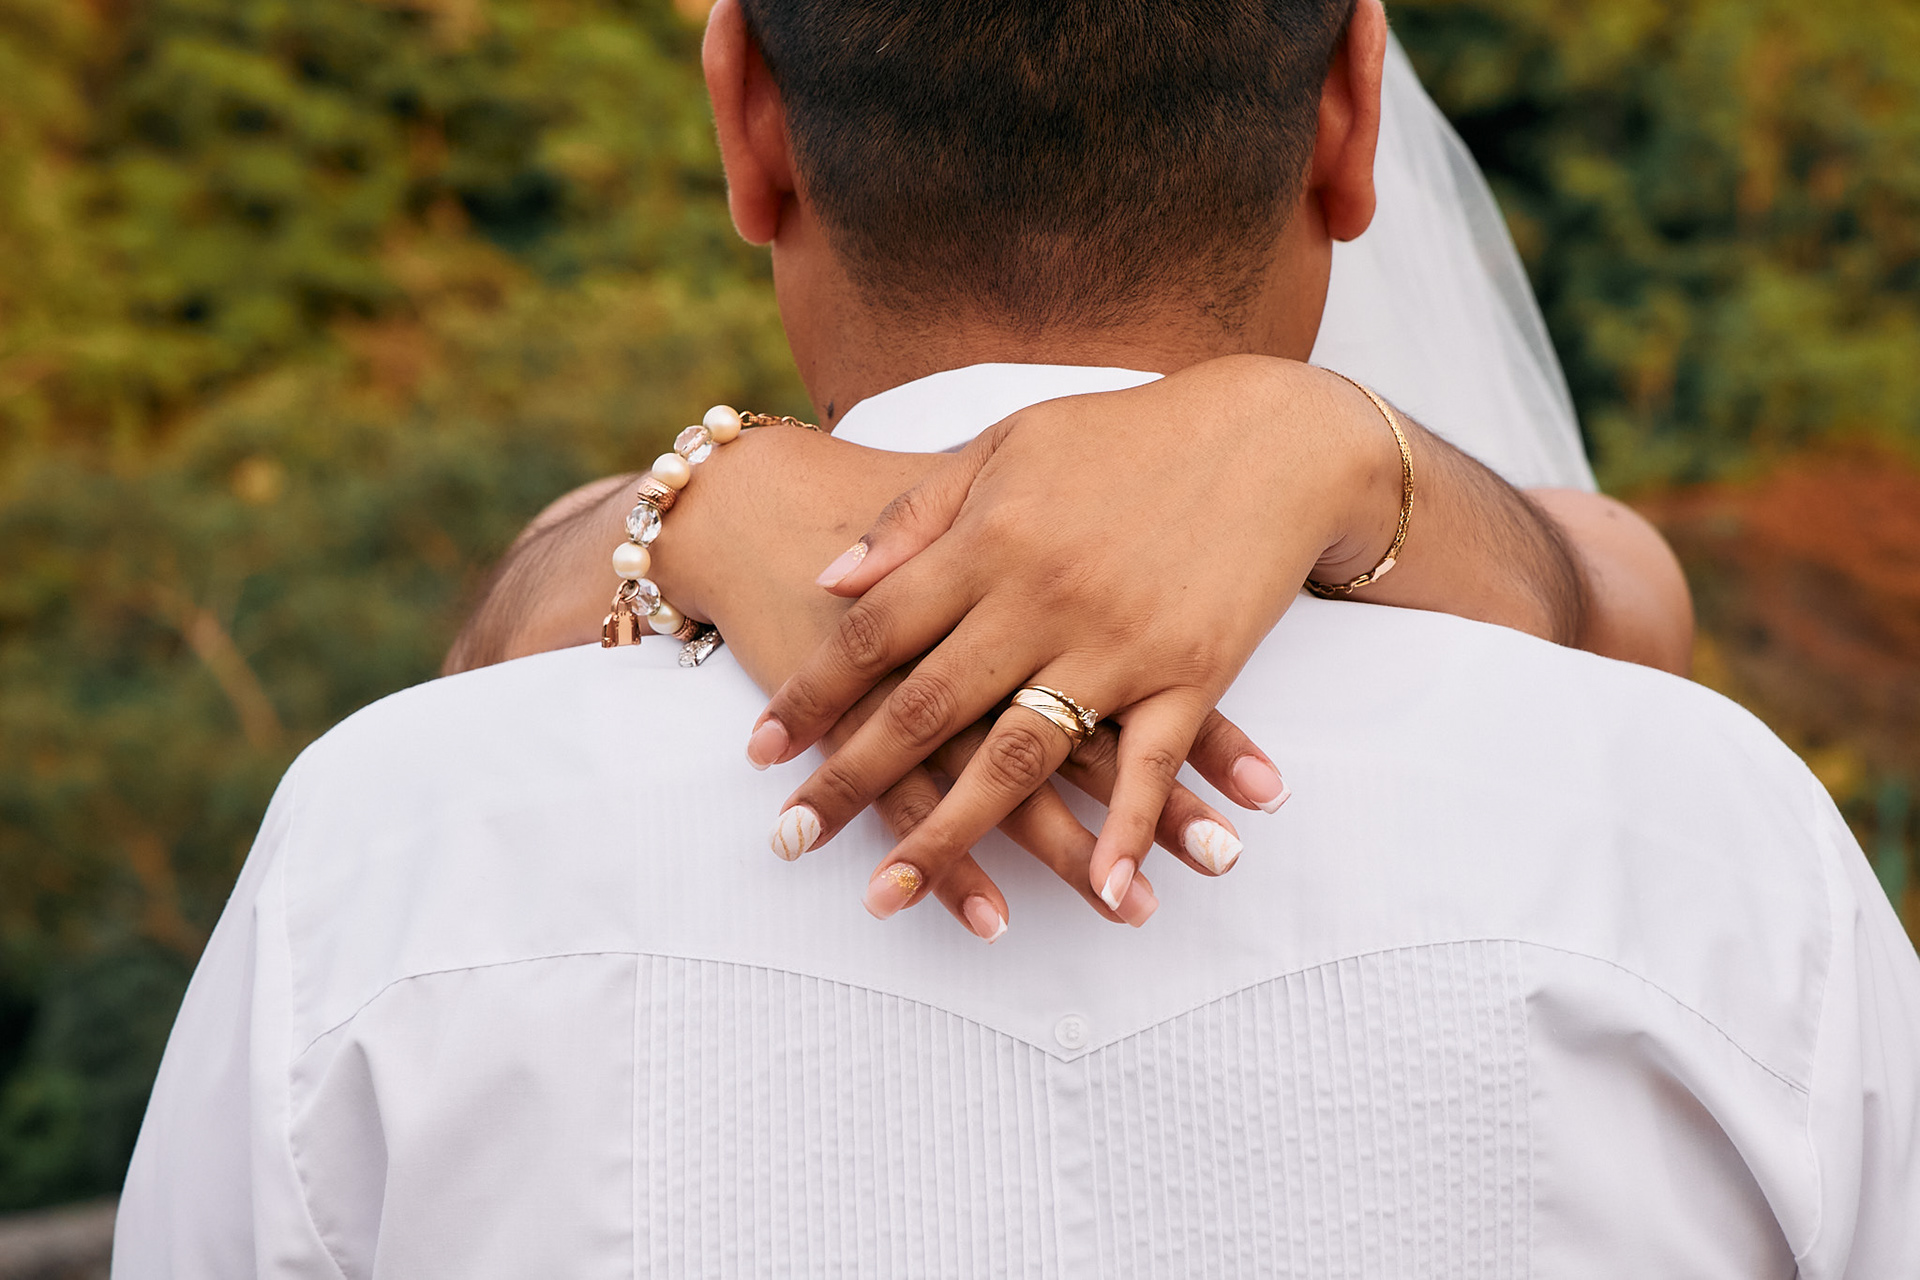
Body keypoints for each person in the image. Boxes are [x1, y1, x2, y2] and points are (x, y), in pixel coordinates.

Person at [115, 2, 1920, 1277]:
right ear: (1350, 111)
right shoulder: (1705, 841)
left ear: (747, 117)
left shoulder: (392, 849)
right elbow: (1613, 596)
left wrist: (695, 492)